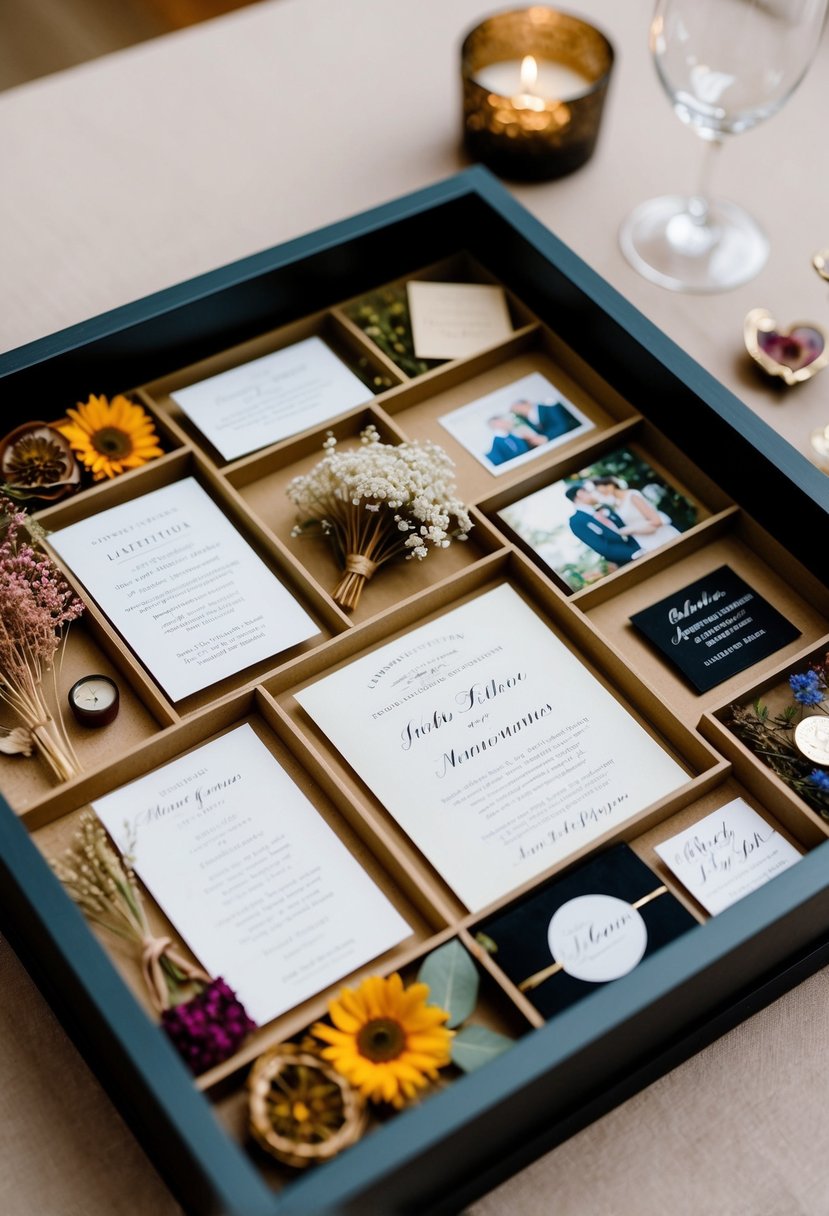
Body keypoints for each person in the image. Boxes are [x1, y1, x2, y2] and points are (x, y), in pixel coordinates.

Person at [592, 475, 680, 553]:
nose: (603, 494)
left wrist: (629, 530)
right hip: (647, 543)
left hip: (662, 538)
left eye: (604, 490)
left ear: (611, 485)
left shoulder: (632, 496)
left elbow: (656, 521)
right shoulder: (616, 505)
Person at [565, 483, 641, 565]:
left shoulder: (603, 508)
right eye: (589, 492)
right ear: (580, 493)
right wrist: (634, 553)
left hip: (640, 547)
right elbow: (602, 547)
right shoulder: (576, 521)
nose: (593, 494)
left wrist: (639, 547)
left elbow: (622, 527)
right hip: (628, 560)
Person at [511, 398, 580, 442]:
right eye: (516, 410)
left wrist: (546, 437)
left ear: (527, 403)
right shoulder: (524, 419)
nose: (518, 411)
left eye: (518, 408)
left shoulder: (547, 406)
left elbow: (562, 425)